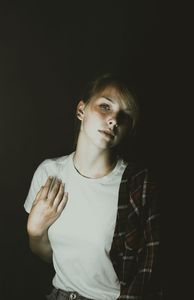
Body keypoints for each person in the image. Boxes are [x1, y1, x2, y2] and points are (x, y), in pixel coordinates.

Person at [24, 73, 162, 300]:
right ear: (81, 110)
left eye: (124, 116)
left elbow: (152, 270)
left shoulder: (139, 186)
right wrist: (35, 232)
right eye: (105, 106)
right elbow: (53, 257)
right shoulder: (49, 173)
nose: (114, 119)